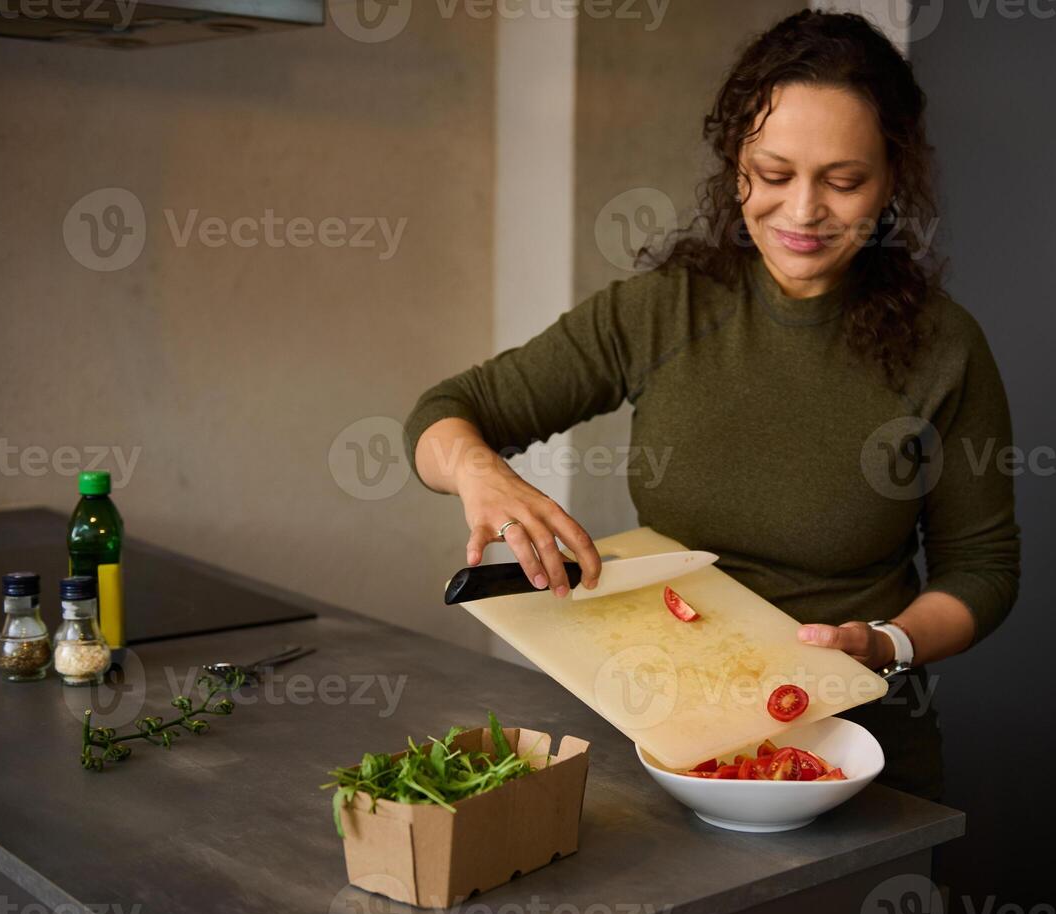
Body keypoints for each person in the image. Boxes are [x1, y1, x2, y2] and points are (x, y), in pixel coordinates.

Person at [403, 10, 1019, 805]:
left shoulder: (945, 348)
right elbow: (444, 413)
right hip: (674, 742)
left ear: (893, 176)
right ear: (736, 169)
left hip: (855, 754)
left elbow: (985, 570)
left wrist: (886, 642)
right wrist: (483, 475)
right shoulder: (664, 311)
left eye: (843, 180)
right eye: (772, 172)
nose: (802, 212)